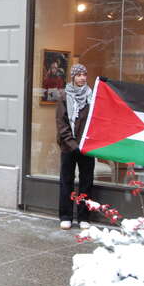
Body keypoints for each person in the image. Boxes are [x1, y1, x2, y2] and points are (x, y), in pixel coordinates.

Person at [56, 63, 94, 231]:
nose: (82, 78)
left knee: (86, 182)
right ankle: (66, 216)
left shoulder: (91, 96)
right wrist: (73, 145)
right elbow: (61, 124)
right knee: (67, 182)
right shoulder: (64, 96)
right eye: (78, 75)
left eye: (84, 74)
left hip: (87, 147)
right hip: (68, 147)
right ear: (72, 77)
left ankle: (84, 217)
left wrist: (88, 143)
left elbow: (95, 121)